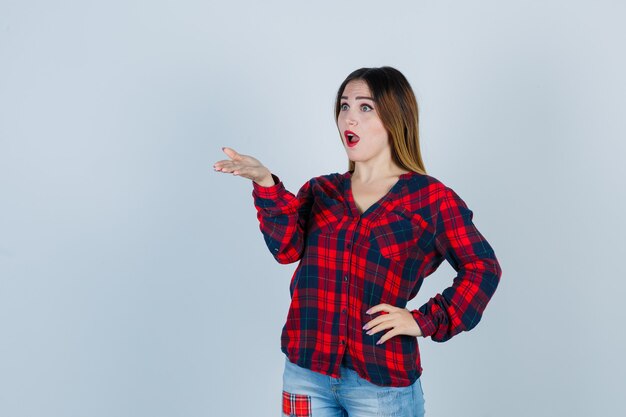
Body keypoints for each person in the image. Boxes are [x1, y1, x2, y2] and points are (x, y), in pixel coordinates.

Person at [213, 66, 502, 417]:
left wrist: (424, 320)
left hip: (381, 387)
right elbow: (286, 249)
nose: (349, 118)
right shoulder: (323, 191)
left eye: (365, 107)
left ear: (396, 117)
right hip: (306, 375)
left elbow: (482, 267)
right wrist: (265, 183)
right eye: (344, 106)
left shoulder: (430, 200)